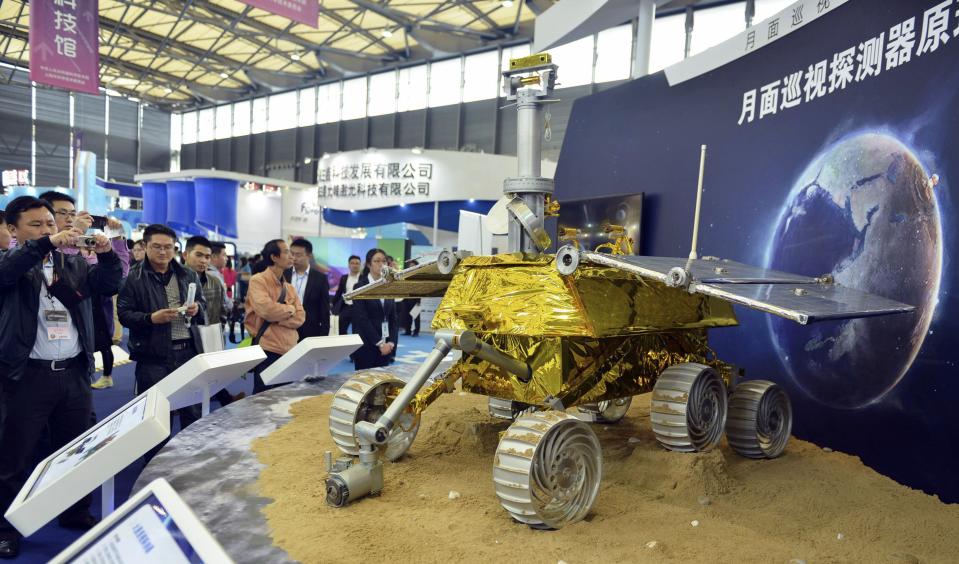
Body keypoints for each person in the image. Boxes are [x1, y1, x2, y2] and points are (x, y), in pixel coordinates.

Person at [0, 196, 123, 559]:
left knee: (76, 451)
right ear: (12, 230)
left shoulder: (71, 263)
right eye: (35, 225)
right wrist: (46, 244)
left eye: (50, 224)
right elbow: (9, 270)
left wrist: (106, 252)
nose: (47, 230)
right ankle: (6, 527)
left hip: (73, 372)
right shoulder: (11, 262)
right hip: (26, 376)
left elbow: (109, 282)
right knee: (14, 456)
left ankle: (74, 511)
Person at [117, 224, 205, 443]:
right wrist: (150, 318)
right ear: (145, 246)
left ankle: (190, 459)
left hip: (188, 353)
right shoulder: (133, 277)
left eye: (169, 247)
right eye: (157, 247)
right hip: (153, 357)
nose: (163, 252)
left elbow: (202, 304)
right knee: (156, 418)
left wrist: (197, 308)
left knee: (192, 413)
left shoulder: (188, 274)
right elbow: (125, 314)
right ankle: (154, 468)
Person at [38, 192, 130, 390]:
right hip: (32, 363)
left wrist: (115, 243)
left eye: (72, 213)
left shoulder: (81, 253)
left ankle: (106, 375)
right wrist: (74, 233)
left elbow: (117, 277)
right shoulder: (23, 250)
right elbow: (51, 263)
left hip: (78, 350)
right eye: (62, 213)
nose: (70, 219)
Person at [245, 240, 304, 394]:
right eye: (286, 252)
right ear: (274, 257)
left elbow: (301, 317)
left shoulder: (289, 288)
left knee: (285, 399)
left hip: (290, 350)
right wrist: (290, 309)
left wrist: (278, 316)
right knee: (262, 400)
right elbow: (266, 310)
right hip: (268, 349)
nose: (291, 256)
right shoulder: (258, 280)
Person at [350, 248, 398, 370]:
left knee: (382, 384)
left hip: (386, 346)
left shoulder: (389, 286)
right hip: (366, 344)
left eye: (384, 261)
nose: (381, 264)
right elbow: (362, 319)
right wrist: (379, 343)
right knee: (364, 384)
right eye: (377, 261)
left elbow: (393, 318)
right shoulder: (360, 287)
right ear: (368, 264)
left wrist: (391, 342)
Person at [286, 239, 330, 339]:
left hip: (310, 329)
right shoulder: (284, 275)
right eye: (292, 254)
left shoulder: (320, 278)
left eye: (298, 255)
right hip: (286, 328)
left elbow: (324, 309)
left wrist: (324, 335)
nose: (294, 258)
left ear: (309, 256)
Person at [332, 255, 362, 335]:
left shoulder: (364, 278)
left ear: (360, 265)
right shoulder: (344, 277)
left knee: (358, 330)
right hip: (346, 307)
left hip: (359, 308)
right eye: (352, 263)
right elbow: (339, 292)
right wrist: (333, 304)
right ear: (349, 265)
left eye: (357, 263)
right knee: (341, 328)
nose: (355, 265)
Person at [400, 260, 421, 337]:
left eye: (413, 265)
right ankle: (407, 330)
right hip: (406, 298)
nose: (411, 267)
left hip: (416, 298)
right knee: (406, 315)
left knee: (416, 316)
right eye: (410, 265)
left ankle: (416, 331)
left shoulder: (419, 275)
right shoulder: (406, 274)